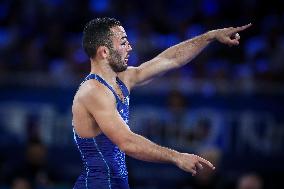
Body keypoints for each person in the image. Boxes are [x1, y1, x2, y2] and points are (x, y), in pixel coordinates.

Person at [72, 17, 251, 189]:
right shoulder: (93, 91)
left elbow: (169, 59)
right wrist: (176, 156)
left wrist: (208, 37)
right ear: (104, 52)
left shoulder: (122, 79)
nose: (130, 47)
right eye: (123, 42)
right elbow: (127, 142)